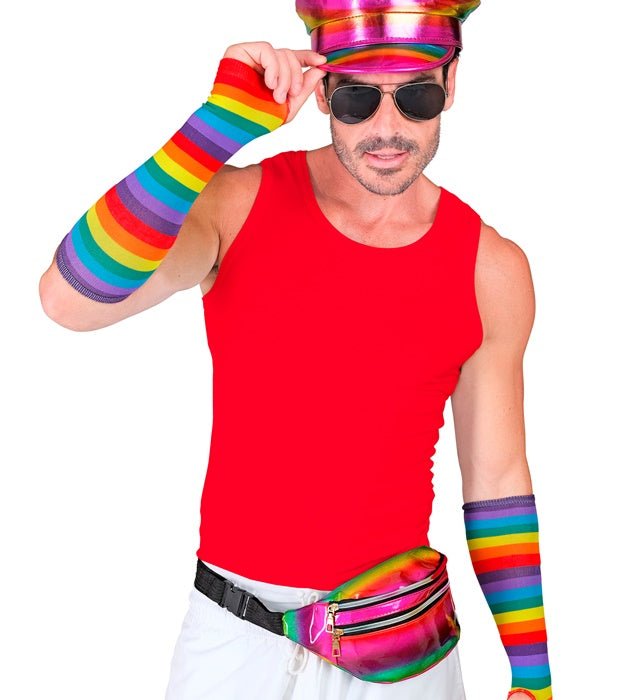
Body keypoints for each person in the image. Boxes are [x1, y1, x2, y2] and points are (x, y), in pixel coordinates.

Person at [39, 1, 552, 698]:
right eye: (358, 99)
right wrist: (213, 129)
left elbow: (497, 480)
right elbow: (69, 297)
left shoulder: (491, 267)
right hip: (232, 640)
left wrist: (533, 674)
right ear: (323, 90)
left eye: (417, 97)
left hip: (400, 652)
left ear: (451, 83)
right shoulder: (237, 206)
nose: (387, 128)